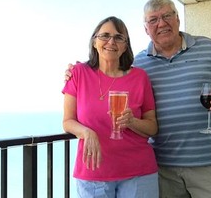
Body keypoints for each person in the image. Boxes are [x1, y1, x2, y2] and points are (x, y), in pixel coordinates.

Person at [64, 0, 211, 198]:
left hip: (205, 162)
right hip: (163, 164)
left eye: (167, 16)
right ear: (146, 29)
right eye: (153, 20)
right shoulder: (141, 64)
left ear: (177, 19)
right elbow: (104, 73)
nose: (161, 23)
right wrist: (76, 73)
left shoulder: (207, 48)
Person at [62, 16, 159, 198]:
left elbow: (152, 127)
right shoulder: (78, 73)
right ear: (94, 42)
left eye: (118, 37)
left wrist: (132, 122)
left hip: (139, 172)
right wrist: (86, 132)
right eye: (105, 36)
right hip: (94, 171)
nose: (111, 42)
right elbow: (67, 121)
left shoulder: (140, 78)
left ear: (125, 46)